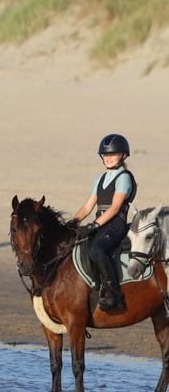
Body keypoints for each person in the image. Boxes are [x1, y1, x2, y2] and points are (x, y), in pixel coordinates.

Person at [67, 133, 136, 311]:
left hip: (116, 223)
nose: (108, 158)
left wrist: (95, 225)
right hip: (102, 222)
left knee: (96, 249)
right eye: (105, 155)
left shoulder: (124, 178)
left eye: (112, 154)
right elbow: (87, 206)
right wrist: (73, 222)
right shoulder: (100, 179)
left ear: (123, 155)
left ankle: (115, 294)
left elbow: (114, 208)